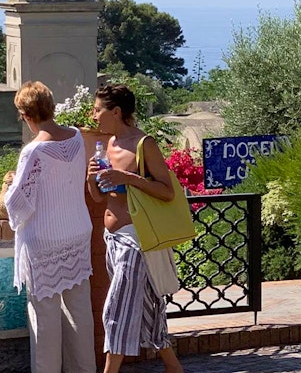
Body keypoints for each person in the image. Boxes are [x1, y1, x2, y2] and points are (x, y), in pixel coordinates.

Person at [87, 84, 183, 373]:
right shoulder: (107, 146)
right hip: (112, 239)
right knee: (145, 307)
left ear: (116, 112)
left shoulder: (144, 144)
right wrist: (92, 178)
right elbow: (98, 197)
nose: (93, 117)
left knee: (116, 309)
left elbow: (167, 192)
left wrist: (128, 177)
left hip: (135, 240)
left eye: (97, 110)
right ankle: (173, 367)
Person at [4, 81, 95, 373]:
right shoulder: (77, 138)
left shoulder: (33, 152)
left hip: (44, 242)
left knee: (44, 322)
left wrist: (8, 185)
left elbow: (18, 204)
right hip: (77, 233)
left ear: (27, 115)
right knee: (80, 316)